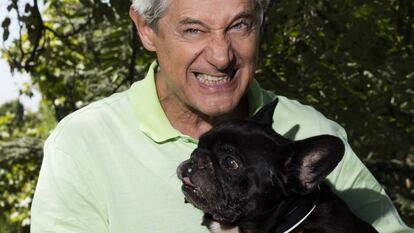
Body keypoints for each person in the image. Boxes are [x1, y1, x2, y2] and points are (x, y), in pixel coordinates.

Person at [30, 0, 413, 232]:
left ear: (261, 24)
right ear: (147, 30)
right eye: (193, 29)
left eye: (239, 25)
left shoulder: (311, 130)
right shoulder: (83, 143)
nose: (220, 54)